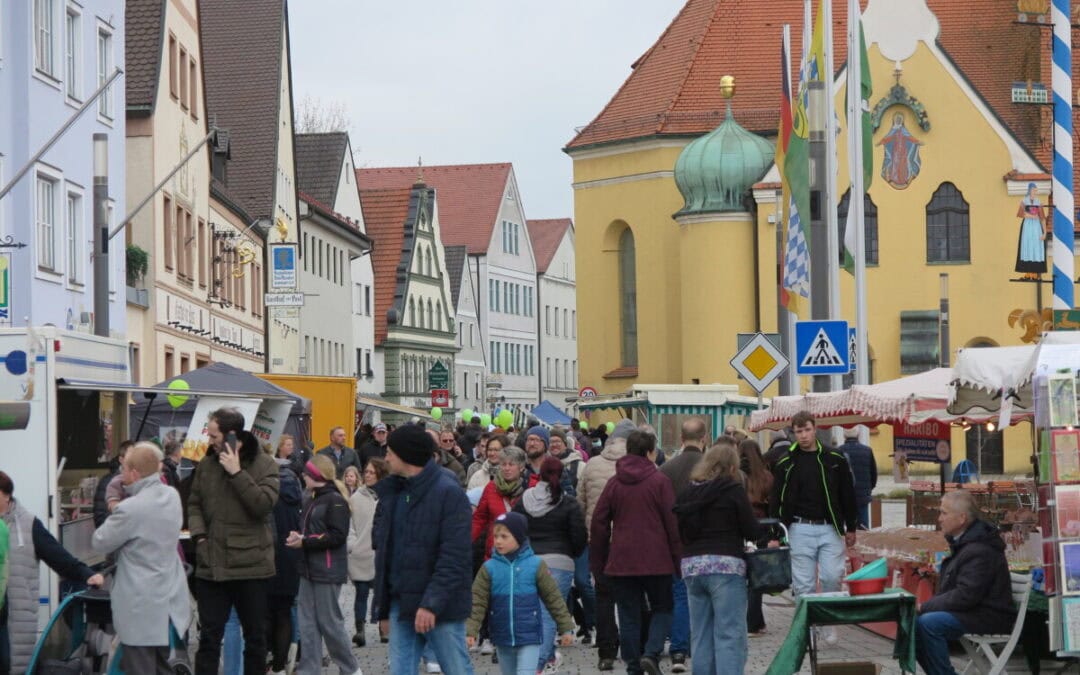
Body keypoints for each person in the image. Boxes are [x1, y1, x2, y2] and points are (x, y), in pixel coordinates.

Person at [372, 425, 475, 675]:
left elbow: (455, 556)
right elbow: (385, 555)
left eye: (390, 452)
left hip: (442, 606)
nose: (386, 458)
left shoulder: (448, 492)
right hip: (401, 602)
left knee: (457, 669)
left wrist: (431, 604)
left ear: (406, 455)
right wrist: (383, 609)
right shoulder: (393, 492)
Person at [188, 407, 280, 675]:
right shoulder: (207, 464)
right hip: (212, 565)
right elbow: (194, 504)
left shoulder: (265, 464)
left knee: (255, 637)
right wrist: (200, 537)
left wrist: (237, 473)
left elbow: (262, 506)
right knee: (208, 638)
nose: (209, 440)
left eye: (213, 435)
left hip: (251, 566)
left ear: (231, 435)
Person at [91, 442, 190, 674]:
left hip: (139, 603)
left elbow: (100, 541)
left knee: (140, 667)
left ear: (135, 474)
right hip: (167, 598)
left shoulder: (131, 509)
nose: (121, 475)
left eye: (124, 470)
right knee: (161, 665)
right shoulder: (171, 496)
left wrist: (113, 504)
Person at [591, 430, 681, 675]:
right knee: (663, 608)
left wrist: (599, 561)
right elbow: (672, 524)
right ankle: (650, 653)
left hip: (622, 560)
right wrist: (678, 560)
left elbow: (599, 523)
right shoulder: (660, 482)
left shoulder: (614, 483)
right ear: (650, 452)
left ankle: (633, 667)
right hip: (657, 560)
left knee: (628, 615)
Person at [0, 471, 103, 673]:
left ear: (7, 495)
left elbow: (58, 557)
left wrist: (86, 574)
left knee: (8, 664)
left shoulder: (28, 524)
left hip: (13, 617)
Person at [673, 443, 763, 675]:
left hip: (692, 568)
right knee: (729, 634)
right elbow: (751, 529)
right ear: (732, 467)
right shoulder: (733, 490)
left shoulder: (688, 492)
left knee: (701, 634)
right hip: (726, 567)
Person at [769, 410, 857, 645]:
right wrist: (775, 533)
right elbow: (776, 498)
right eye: (799, 431)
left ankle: (828, 622)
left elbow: (847, 494)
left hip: (830, 527)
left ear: (815, 429)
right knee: (803, 583)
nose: (803, 435)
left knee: (832, 576)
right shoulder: (786, 462)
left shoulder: (834, 458)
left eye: (807, 430)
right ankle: (806, 626)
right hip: (799, 527)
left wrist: (851, 527)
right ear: (793, 433)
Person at [915, 490, 1016, 675]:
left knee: (928, 623)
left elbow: (966, 595)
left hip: (989, 615)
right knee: (913, 622)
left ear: (962, 518)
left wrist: (926, 606)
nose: (939, 518)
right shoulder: (967, 543)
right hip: (974, 611)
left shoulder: (979, 549)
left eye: (944, 513)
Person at [466, 512, 575, 675]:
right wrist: (470, 630)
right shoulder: (489, 568)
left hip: (530, 636)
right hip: (502, 637)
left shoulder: (536, 565)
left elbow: (553, 598)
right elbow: (477, 601)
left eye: (504, 536)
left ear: (519, 537)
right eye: (495, 536)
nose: (498, 541)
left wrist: (566, 627)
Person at [286, 456, 362, 675]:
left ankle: (351, 669)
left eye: (306, 473)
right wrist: (299, 536)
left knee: (330, 622)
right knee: (307, 623)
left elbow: (337, 535)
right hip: (308, 569)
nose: (303, 476)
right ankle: (309, 670)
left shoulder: (335, 500)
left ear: (315, 475)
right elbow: (311, 531)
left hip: (327, 570)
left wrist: (305, 540)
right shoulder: (310, 498)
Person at [513, 457, 587, 673]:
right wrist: (571, 554)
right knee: (549, 612)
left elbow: (514, 529)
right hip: (559, 562)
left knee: (532, 612)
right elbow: (579, 536)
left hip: (529, 560)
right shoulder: (568, 503)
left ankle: (546, 656)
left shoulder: (524, 499)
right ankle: (537, 664)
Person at [576, 419, 634, 670]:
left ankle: (606, 651)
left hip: (598, 539)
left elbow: (580, 502)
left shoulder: (592, 464)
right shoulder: (638, 465)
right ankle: (633, 648)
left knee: (604, 595)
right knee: (631, 595)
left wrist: (588, 528)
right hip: (629, 540)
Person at [658, 417, 709, 671]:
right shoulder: (712, 467)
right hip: (708, 541)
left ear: (681, 439)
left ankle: (679, 647)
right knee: (706, 597)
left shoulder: (666, 469)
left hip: (675, 540)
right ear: (704, 439)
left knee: (679, 594)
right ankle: (699, 644)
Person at [267, 435, 302, 675]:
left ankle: (271, 660)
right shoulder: (296, 488)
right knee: (284, 611)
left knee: (266, 612)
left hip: (269, 555)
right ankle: (280, 666)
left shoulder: (268, 491)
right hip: (290, 555)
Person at [348, 457, 387, 648]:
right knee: (361, 593)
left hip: (381, 554)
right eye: (366, 472)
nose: (368, 475)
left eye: (372, 472)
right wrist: (352, 545)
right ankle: (360, 630)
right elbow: (350, 526)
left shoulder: (387, 497)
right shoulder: (356, 498)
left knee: (382, 593)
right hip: (361, 554)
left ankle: (383, 627)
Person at [738, 437, 774, 636]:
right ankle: (754, 621)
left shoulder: (735, 475)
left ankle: (753, 621)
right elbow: (772, 503)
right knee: (757, 574)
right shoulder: (766, 476)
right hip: (762, 526)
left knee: (741, 572)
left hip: (739, 526)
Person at [473, 445, 527, 561]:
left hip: (521, 554)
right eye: (503, 464)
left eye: (511, 464)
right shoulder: (491, 488)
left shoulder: (529, 488)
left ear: (521, 467)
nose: (507, 468)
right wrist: (467, 540)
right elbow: (479, 518)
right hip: (494, 553)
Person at [840, 427, 878, 530]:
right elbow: (873, 473)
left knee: (845, 527)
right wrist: (868, 489)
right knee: (863, 528)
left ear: (844, 435)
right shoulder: (867, 450)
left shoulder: (838, 451)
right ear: (858, 434)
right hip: (863, 496)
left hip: (844, 497)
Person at [93, 439, 133, 527]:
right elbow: (100, 518)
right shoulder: (108, 482)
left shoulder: (140, 479)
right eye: (130, 458)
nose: (133, 462)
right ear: (121, 459)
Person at [1015, 181, 1047, 279]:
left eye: (1035, 190)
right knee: (1027, 247)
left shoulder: (1038, 202)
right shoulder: (1024, 201)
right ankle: (1028, 272)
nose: (1034, 192)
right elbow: (1020, 213)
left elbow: (1042, 218)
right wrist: (1032, 216)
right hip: (1027, 227)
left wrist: (1045, 232)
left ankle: (1035, 272)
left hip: (1036, 227)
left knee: (1036, 248)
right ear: (1029, 190)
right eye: (1033, 190)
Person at [549, 428, 583, 497]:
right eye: (551, 442)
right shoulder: (543, 465)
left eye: (558, 441)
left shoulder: (580, 466)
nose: (554, 444)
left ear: (565, 445)